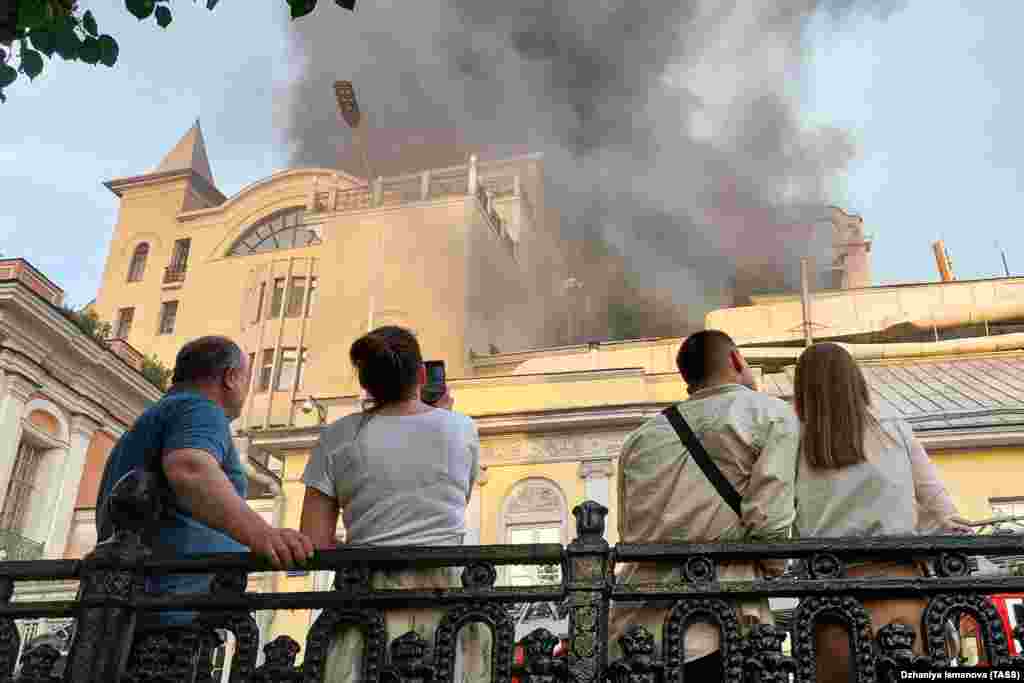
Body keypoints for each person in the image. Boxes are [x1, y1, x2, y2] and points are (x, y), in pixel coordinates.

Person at [610, 330, 800, 679]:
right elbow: (770, 527)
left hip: (638, 635)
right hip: (723, 627)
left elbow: (628, 535)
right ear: (736, 360)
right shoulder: (771, 415)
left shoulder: (640, 438)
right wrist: (772, 568)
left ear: (688, 379)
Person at [300, 326, 485, 683]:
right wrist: (442, 417)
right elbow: (454, 502)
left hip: (364, 598)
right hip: (443, 595)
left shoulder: (337, 435)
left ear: (367, 385)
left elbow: (315, 540)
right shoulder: (462, 428)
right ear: (420, 375)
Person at [95, 336, 313, 625]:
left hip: (133, 601)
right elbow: (190, 469)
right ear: (231, 378)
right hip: (170, 613)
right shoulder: (200, 409)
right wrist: (264, 535)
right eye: (246, 381)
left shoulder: (158, 416)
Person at [792, 342, 972, 682]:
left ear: (802, 390)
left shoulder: (793, 442)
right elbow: (941, 508)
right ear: (857, 381)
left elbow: (778, 516)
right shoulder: (894, 428)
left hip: (832, 605)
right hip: (903, 594)